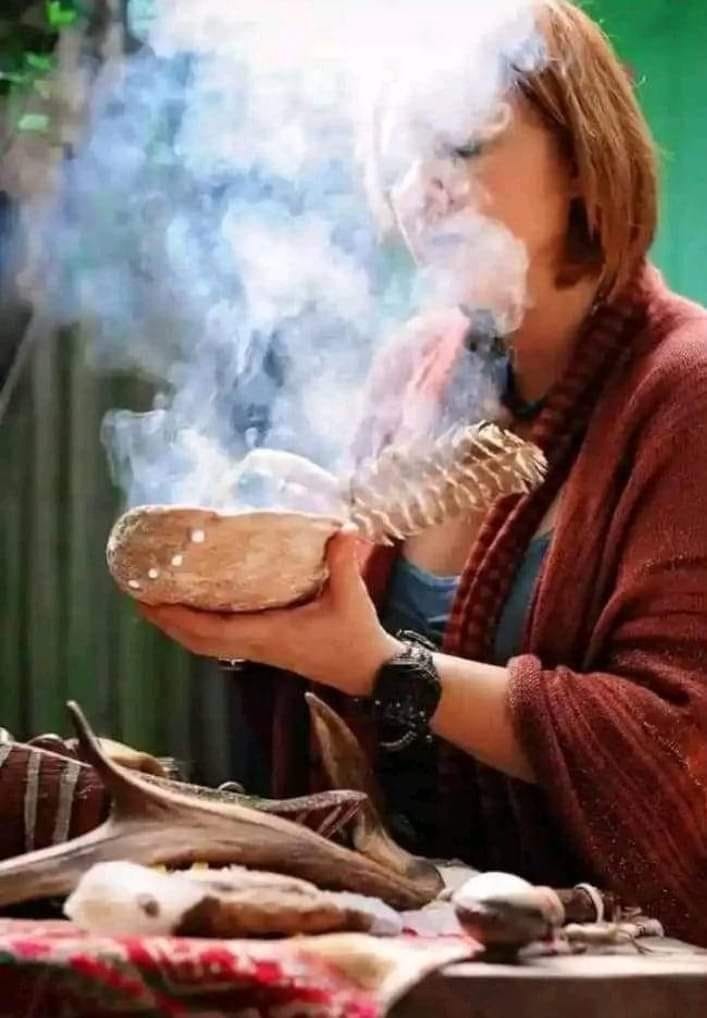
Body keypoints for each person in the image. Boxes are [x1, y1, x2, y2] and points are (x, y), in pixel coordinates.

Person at [142, 0, 707, 946]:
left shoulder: (685, 390)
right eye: (401, 157)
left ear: (581, 156)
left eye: (462, 144)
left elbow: (672, 751)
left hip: (616, 957)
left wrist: (378, 666)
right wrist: (273, 584)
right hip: (404, 929)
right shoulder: (415, 367)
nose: (421, 189)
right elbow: (330, 684)